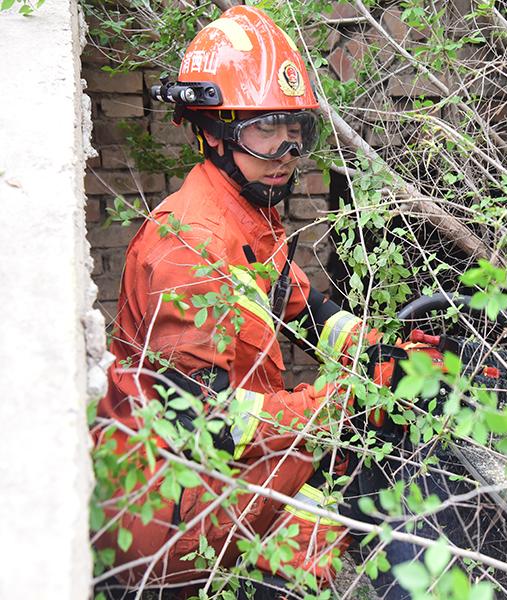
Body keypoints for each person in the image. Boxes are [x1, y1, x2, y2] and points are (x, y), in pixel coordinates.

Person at [95, 6, 373, 598]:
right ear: (214, 130)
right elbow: (207, 421)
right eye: (263, 130)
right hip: (170, 513)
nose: (285, 151)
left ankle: (287, 572)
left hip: (207, 482)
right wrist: (342, 404)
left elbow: (302, 305)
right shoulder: (189, 246)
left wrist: (378, 350)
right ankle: (274, 582)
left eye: (294, 131)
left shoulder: (243, 212)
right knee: (348, 449)